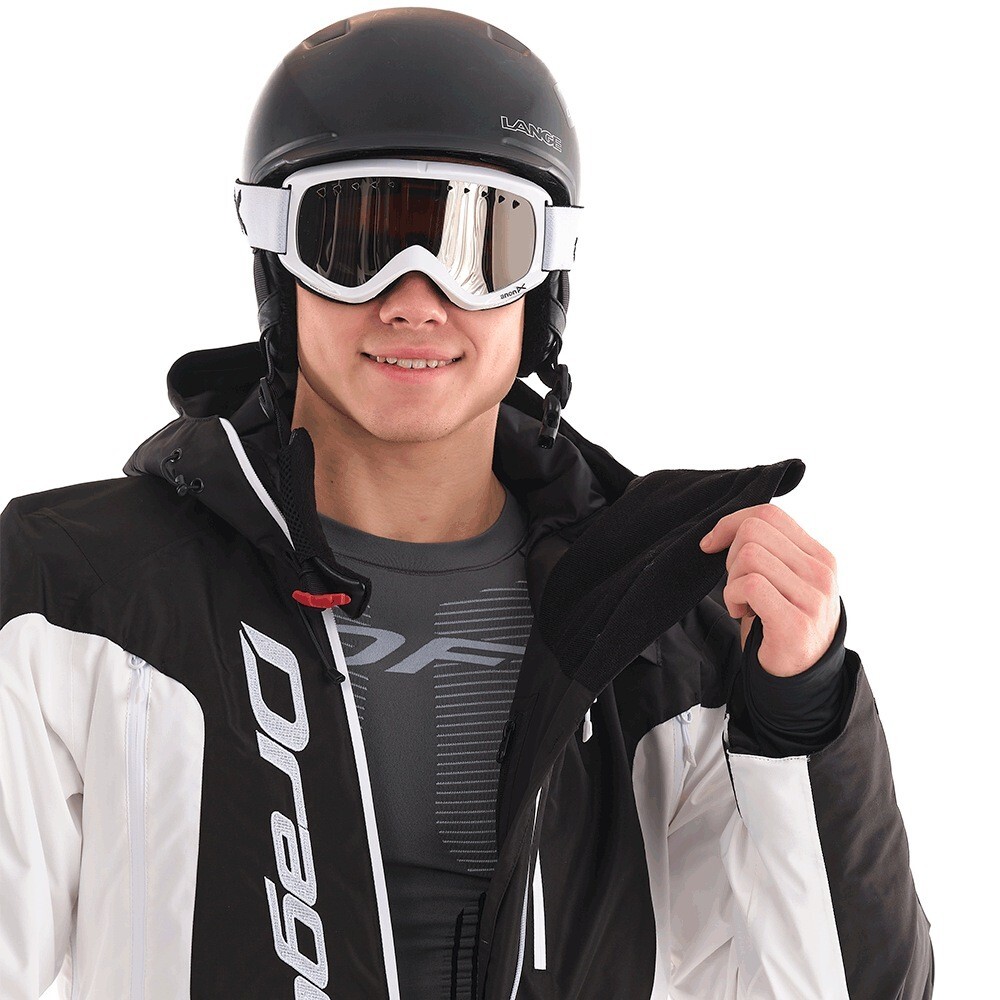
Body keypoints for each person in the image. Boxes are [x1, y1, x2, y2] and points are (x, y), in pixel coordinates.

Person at [0, 8, 933, 999]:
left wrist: (802, 710)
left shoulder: (662, 637)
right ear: (279, 267)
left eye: (480, 244)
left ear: (543, 286)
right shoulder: (76, 592)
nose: (415, 295)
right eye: (353, 242)